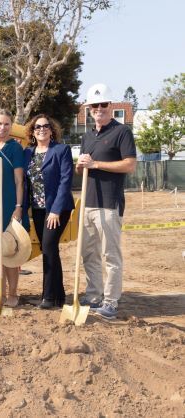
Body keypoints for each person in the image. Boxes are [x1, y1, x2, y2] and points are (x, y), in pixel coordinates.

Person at [77, 83, 136, 319]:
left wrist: (96, 164)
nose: (98, 109)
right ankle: (94, 295)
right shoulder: (87, 136)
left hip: (109, 204)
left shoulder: (121, 132)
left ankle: (111, 301)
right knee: (88, 254)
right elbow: (83, 172)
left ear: (110, 106)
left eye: (103, 105)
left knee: (110, 255)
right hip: (88, 203)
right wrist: (81, 167)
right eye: (94, 106)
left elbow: (130, 165)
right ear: (88, 109)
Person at [23, 114, 74, 309]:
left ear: (51, 130)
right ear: (32, 131)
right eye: (37, 127)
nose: (41, 129)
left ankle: (48, 297)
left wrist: (55, 210)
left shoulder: (61, 150)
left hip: (56, 209)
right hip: (37, 209)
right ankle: (59, 296)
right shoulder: (28, 153)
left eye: (45, 126)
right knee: (49, 250)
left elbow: (65, 181)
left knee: (49, 248)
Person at [0, 109, 28, 308]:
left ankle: (13, 293)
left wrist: (18, 207)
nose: (2, 127)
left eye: (7, 124)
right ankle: (0, 292)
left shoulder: (15, 149)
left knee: (9, 251)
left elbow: (19, 181)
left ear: (11, 127)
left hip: (9, 204)